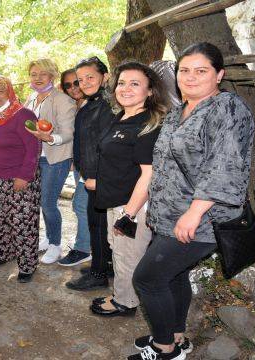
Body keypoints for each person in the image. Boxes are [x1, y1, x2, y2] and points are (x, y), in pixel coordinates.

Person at [128, 43, 255, 360]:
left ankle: (165, 349)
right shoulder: (176, 113)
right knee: (173, 275)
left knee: (147, 278)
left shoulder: (226, 108)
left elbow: (224, 166)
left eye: (202, 71)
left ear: (219, 75)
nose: (191, 77)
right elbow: (165, 166)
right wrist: (155, 210)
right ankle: (175, 336)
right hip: (169, 216)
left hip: (199, 220)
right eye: (184, 70)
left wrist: (194, 213)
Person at [89, 61, 168, 318]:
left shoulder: (148, 124)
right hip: (116, 199)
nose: (126, 88)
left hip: (133, 205)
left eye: (135, 84)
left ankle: (126, 302)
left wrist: (129, 215)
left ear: (149, 91)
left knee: (127, 256)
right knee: (119, 251)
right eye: (122, 83)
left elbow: (149, 174)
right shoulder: (121, 117)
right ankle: (121, 293)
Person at [0, 75, 41, 283]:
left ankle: (27, 266)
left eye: (0, 91)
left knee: (23, 223)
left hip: (17, 180)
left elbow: (34, 148)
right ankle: (5, 254)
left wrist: (25, 176)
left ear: (9, 92)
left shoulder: (24, 115)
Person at [65, 57, 115, 290]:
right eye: (80, 79)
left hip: (100, 176)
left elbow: (103, 144)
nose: (84, 83)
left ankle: (98, 274)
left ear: (104, 77)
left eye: (90, 77)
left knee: (97, 223)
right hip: (90, 173)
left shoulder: (107, 105)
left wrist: (92, 175)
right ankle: (103, 263)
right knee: (98, 223)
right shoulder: (92, 102)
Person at [23, 58, 77, 264]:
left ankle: (55, 245)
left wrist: (50, 138)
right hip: (35, 158)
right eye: (34, 74)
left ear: (52, 76)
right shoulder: (32, 97)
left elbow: (68, 133)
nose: (37, 78)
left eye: (42, 74)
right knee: (42, 202)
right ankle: (47, 238)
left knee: (48, 203)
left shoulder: (63, 100)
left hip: (55, 158)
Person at [57, 68, 91, 266]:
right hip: (80, 164)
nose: (73, 88)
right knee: (85, 206)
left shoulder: (94, 104)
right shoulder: (76, 105)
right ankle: (91, 246)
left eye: (76, 82)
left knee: (80, 204)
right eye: (67, 85)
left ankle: (82, 248)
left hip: (90, 166)